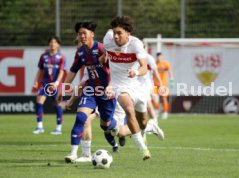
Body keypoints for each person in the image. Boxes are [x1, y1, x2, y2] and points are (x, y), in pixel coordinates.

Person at [63, 21, 119, 163]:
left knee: (106, 125)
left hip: (107, 93)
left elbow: (115, 69)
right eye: (79, 33)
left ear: (92, 34)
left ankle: (116, 127)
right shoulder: (81, 52)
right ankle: (75, 154)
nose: (82, 36)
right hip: (91, 90)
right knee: (81, 117)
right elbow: (73, 71)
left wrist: (111, 85)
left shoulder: (101, 48)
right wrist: (64, 87)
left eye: (84, 33)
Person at [102, 16, 154, 160]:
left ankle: (147, 129)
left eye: (119, 33)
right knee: (129, 110)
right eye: (114, 33)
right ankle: (143, 149)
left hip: (137, 85)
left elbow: (144, 67)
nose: (116, 36)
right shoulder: (108, 40)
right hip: (120, 86)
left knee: (143, 120)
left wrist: (136, 72)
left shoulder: (136, 44)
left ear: (128, 33)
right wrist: (103, 58)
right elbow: (104, 52)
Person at [32, 36, 66, 135]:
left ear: (58, 44)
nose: (52, 44)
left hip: (56, 84)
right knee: (39, 100)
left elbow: (61, 71)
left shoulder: (61, 57)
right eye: (51, 42)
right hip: (45, 83)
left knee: (57, 103)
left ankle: (58, 128)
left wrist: (57, 83)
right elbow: (40, 70)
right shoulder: (44, 56)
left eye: (55, 42)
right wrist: (36, 81)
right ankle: (39, 127)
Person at [153, 52, 174, 119]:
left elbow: (170, 72)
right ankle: (156, 111)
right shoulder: (154, 64)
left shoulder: (165, 64)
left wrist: (172, 80)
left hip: (163, 84)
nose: (159, 58)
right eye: (158, 57)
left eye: (160, 56)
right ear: (156, 57)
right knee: (155, 98)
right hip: (155, 84)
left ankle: (165, 112)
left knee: (164, 98)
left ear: (162, 57)